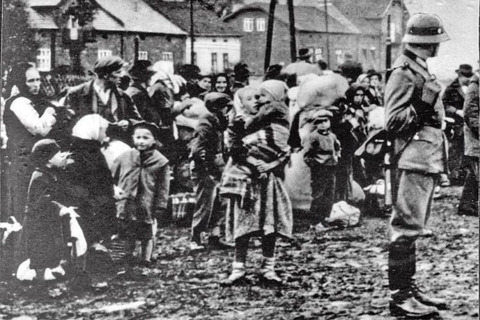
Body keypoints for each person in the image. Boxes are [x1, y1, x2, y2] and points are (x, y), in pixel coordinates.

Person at [384, 13, 450, 318]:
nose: (436, 48)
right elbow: (393, 122)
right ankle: (400, 297)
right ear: (425, 43)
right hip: (412, 158)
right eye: (433, 42)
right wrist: (422, 105)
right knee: (405, 228)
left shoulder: (417, 67)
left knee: (414, 228)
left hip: (425, 158)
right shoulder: (402, 72)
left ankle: (409, 289)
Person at [220, 80, 292, 285]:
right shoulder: (237, 123)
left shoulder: (272, 121)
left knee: (269, 225)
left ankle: (268, 268)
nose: (257, 101)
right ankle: (238, 268)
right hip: (245, 181)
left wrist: (270, 165)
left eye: (259, 97)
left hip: (268, 181)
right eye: (251, 99)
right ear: (241, 104)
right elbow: (234, 148)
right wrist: (253, 162)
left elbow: (284, 147)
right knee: (243, 225)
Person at [113, 121, 170, 273]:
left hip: (146, 203)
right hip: (126, 203)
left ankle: (146, 260)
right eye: (138, 137)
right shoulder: (124, 157)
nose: (141, 141)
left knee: (146, 233)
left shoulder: (161, 161)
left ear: (154, 140)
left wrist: (161, 205)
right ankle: (126, 257)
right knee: (126, 232)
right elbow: (112, 177)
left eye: (146, 138)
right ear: (132, 138)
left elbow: (163, 187)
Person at [22, 139, 73, 282]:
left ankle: (43, 281)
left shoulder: (48, 173)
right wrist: (60, 208)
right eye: (58, 154)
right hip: (37, 222)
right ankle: (40, 284)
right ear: (48, 159)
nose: (62, 156)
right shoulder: (40, 177)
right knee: (39, 252)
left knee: (48, 249)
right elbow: (43, 201)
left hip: (45, 220)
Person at [64, 56, 142, 144]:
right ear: (105, 74)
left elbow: (138, 121)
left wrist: (128, 123)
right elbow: (65, 124)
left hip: (115, 146)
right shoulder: (76, 93)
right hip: (86, 147)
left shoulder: (123, 96)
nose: (122, 75)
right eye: (118, 72)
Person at [188, 93, 232, 249]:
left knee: (220, 202)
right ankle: (196, 238)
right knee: (205, 204)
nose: (228, 110)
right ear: (217, 108)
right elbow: (198, 149)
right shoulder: (206, 122)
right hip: (204, 168)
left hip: (216, 166)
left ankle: (215, 236)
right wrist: (208, 169)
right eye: (226, 106)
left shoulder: (217, 121)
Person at [303, 109, 340, 230]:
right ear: (316, 124)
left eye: (326, 121)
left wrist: (336, 156)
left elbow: (337, 147)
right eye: (320, 122)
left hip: (331, 168)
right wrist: (316, 165)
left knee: (329, 194)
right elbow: (307, 155)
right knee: (319, 195)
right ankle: (315, 222)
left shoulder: (332, 136)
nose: (323, 124)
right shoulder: (313, 137)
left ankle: (325, 219)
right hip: (320, 170)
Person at [442, 64, 474, 185]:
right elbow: (444, 104)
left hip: (469, 124)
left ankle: (464, 177)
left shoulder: (473, 87)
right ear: (460, 76)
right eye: (466, 77)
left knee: (467, 151)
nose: (468, 79)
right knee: (455, 150)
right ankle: (454, 177)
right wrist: (456, 111)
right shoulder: (451, 88)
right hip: (456, 124)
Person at [458, 72, 479, 216]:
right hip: (476, 136)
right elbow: (469, 112)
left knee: (473, 173)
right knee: (476, 171)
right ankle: (467, 205)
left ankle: (467, 205)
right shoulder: (475, 86)